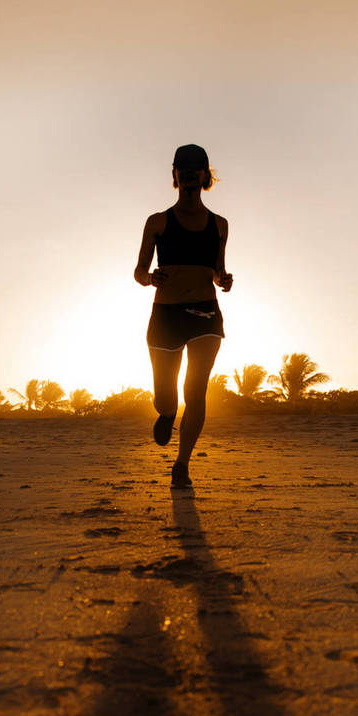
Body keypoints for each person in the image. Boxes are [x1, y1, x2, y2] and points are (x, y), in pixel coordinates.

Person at [134, 144, 233, 489]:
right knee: (166, 396)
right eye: (183, 167)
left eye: (197, 167)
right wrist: (150, 278)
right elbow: (138, 271)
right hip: (166, 315)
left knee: (196, 389)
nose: (190, 171)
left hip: (206, 314)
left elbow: (218, 269)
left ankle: (182, 465)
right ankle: (166, 412)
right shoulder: (158, 222)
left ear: (206, 175)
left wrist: (223, 280)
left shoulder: (220, 225)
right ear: (175, 174)